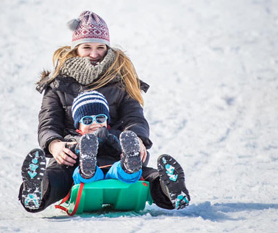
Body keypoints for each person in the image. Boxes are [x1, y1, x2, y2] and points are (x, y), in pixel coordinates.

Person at [18, 10, 190, 213]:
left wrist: (137, 140)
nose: (94, 53)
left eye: (100, 47)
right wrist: (54, 145)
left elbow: (134, 117)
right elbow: (48, 122)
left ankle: (170, 190)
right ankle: (36, 191)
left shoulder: (120, 81)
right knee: (59, 176)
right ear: (75, 49)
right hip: (74, 152)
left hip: (118, 152)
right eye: (87, 47)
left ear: (107, 47)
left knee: (143, 175)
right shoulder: (57, 85)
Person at [69, 90, 143, 185]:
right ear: (78, 126)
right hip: (89, 175)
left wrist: (118, 146)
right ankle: (87, 172)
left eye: (100, 118)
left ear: (107, 121)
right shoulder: (74, 139)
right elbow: (71, 151)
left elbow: (122, 148)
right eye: (87, 120)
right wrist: (86, 144)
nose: (95, 123)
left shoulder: (116, 135)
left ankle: (128, 167)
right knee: (78, 173)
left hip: (113, 171)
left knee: (119, 170)